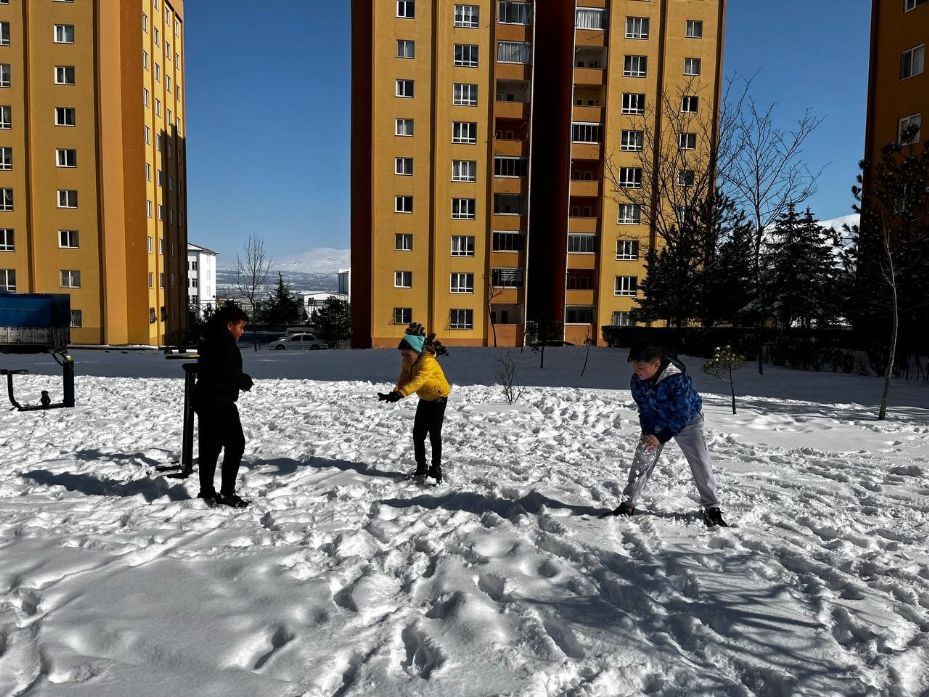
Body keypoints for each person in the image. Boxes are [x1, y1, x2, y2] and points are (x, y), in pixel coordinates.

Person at [610, 344, 727, 527]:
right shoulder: (637, 381)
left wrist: (661, 437)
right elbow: (645, 410)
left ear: (656, 365)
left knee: (701, 462)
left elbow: (682, 413)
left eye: (641, 367)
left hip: (688, 422)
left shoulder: (678, 380)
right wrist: (649, 433)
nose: (636, 371)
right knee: (643, 457)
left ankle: (712, 509)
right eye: (634, 366)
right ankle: (628, 504)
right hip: (657, 422)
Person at [193, 304, 254, 508]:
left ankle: (207, 490)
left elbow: (212, 369)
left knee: (210, 448)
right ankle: (227, 492)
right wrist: (244, 380)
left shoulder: (210, 341)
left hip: (205, 399)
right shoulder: (226, 345)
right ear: (229, 325)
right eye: (241, 327)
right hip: (219, 401)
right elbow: (228, 373)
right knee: (236, 444)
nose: (242, 332)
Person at [378, 331, 451, 483]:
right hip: (425, 398)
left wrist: (401, 394)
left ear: (417, 352)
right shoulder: (407, 363)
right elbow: (404, 379)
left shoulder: (428, 362)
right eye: (402, 355)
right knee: (418, 433)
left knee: (434, 433)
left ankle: (436, 468)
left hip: (438, 398)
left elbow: (418, 381)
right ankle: (421, 466)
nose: (404, 358)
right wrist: (394, 393)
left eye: (407, 354)